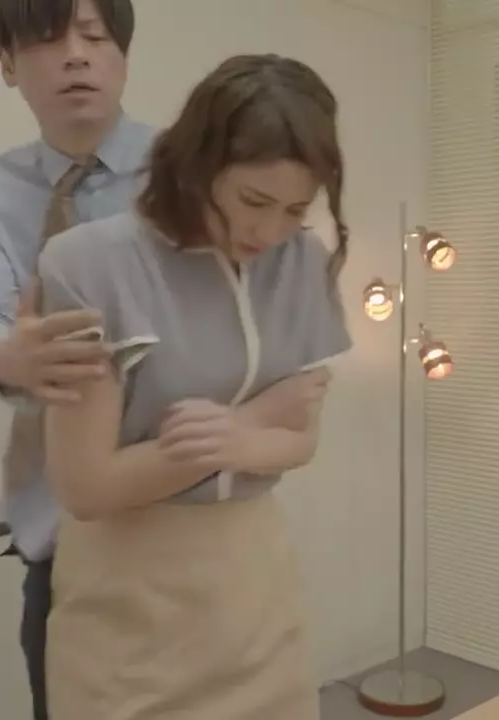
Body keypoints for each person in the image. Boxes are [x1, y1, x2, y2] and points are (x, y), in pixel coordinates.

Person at [0, 2, 327, 718]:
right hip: (59, 522)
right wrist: (7, 357)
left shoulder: (208, 177)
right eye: (49, 38)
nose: (76, 55)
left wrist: (253, 431)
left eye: (95, 35)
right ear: (7, 62)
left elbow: (300, 399)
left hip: (218, 542)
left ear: (124, 52)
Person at [34, 53, 352, 719]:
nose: (270, 231)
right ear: (197, 165)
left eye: (296, 209)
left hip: (255, 589)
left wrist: (239, 435)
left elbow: (302, 439)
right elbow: (87, 488)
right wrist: (246, 427)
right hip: (130, 599)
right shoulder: (88, 265)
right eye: (253, 201)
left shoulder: (302, 262)